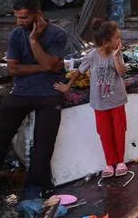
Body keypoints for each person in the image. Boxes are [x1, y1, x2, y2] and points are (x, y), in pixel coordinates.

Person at [0, 0, 67, 213]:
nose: (19, 22)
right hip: (21, 92)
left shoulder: (58, 34)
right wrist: (44, 67)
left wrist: (35, 42)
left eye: (24, 18)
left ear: (38, 15)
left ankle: (35, 186)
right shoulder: (15, 35)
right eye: (17, 17)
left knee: (43, 141)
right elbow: (13, 69)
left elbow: (47, 62)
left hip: (49, 92)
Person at [55, 21, 128, 178]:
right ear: (105, 41)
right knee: (104, 132)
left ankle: (121, 161)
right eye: (116, 38)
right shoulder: (92, 56)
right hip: (99, 103)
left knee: (119, 130)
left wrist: (116, 57)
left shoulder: (117, 53)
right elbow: (78, 72)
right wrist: (67, 87)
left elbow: (121, 73)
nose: (119, 41)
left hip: (117, 100)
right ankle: (109, 163)